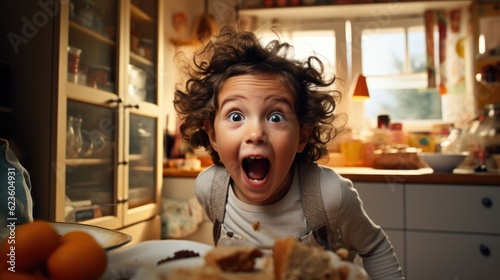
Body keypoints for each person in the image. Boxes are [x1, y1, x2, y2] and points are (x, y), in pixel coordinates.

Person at [174, 26, 405, 279]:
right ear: (213, 135)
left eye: (275, 116)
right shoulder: (210, 189)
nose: (256, 133)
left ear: (302, 136)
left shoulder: (328, 194)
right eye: (236, 115)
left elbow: (375, 248)